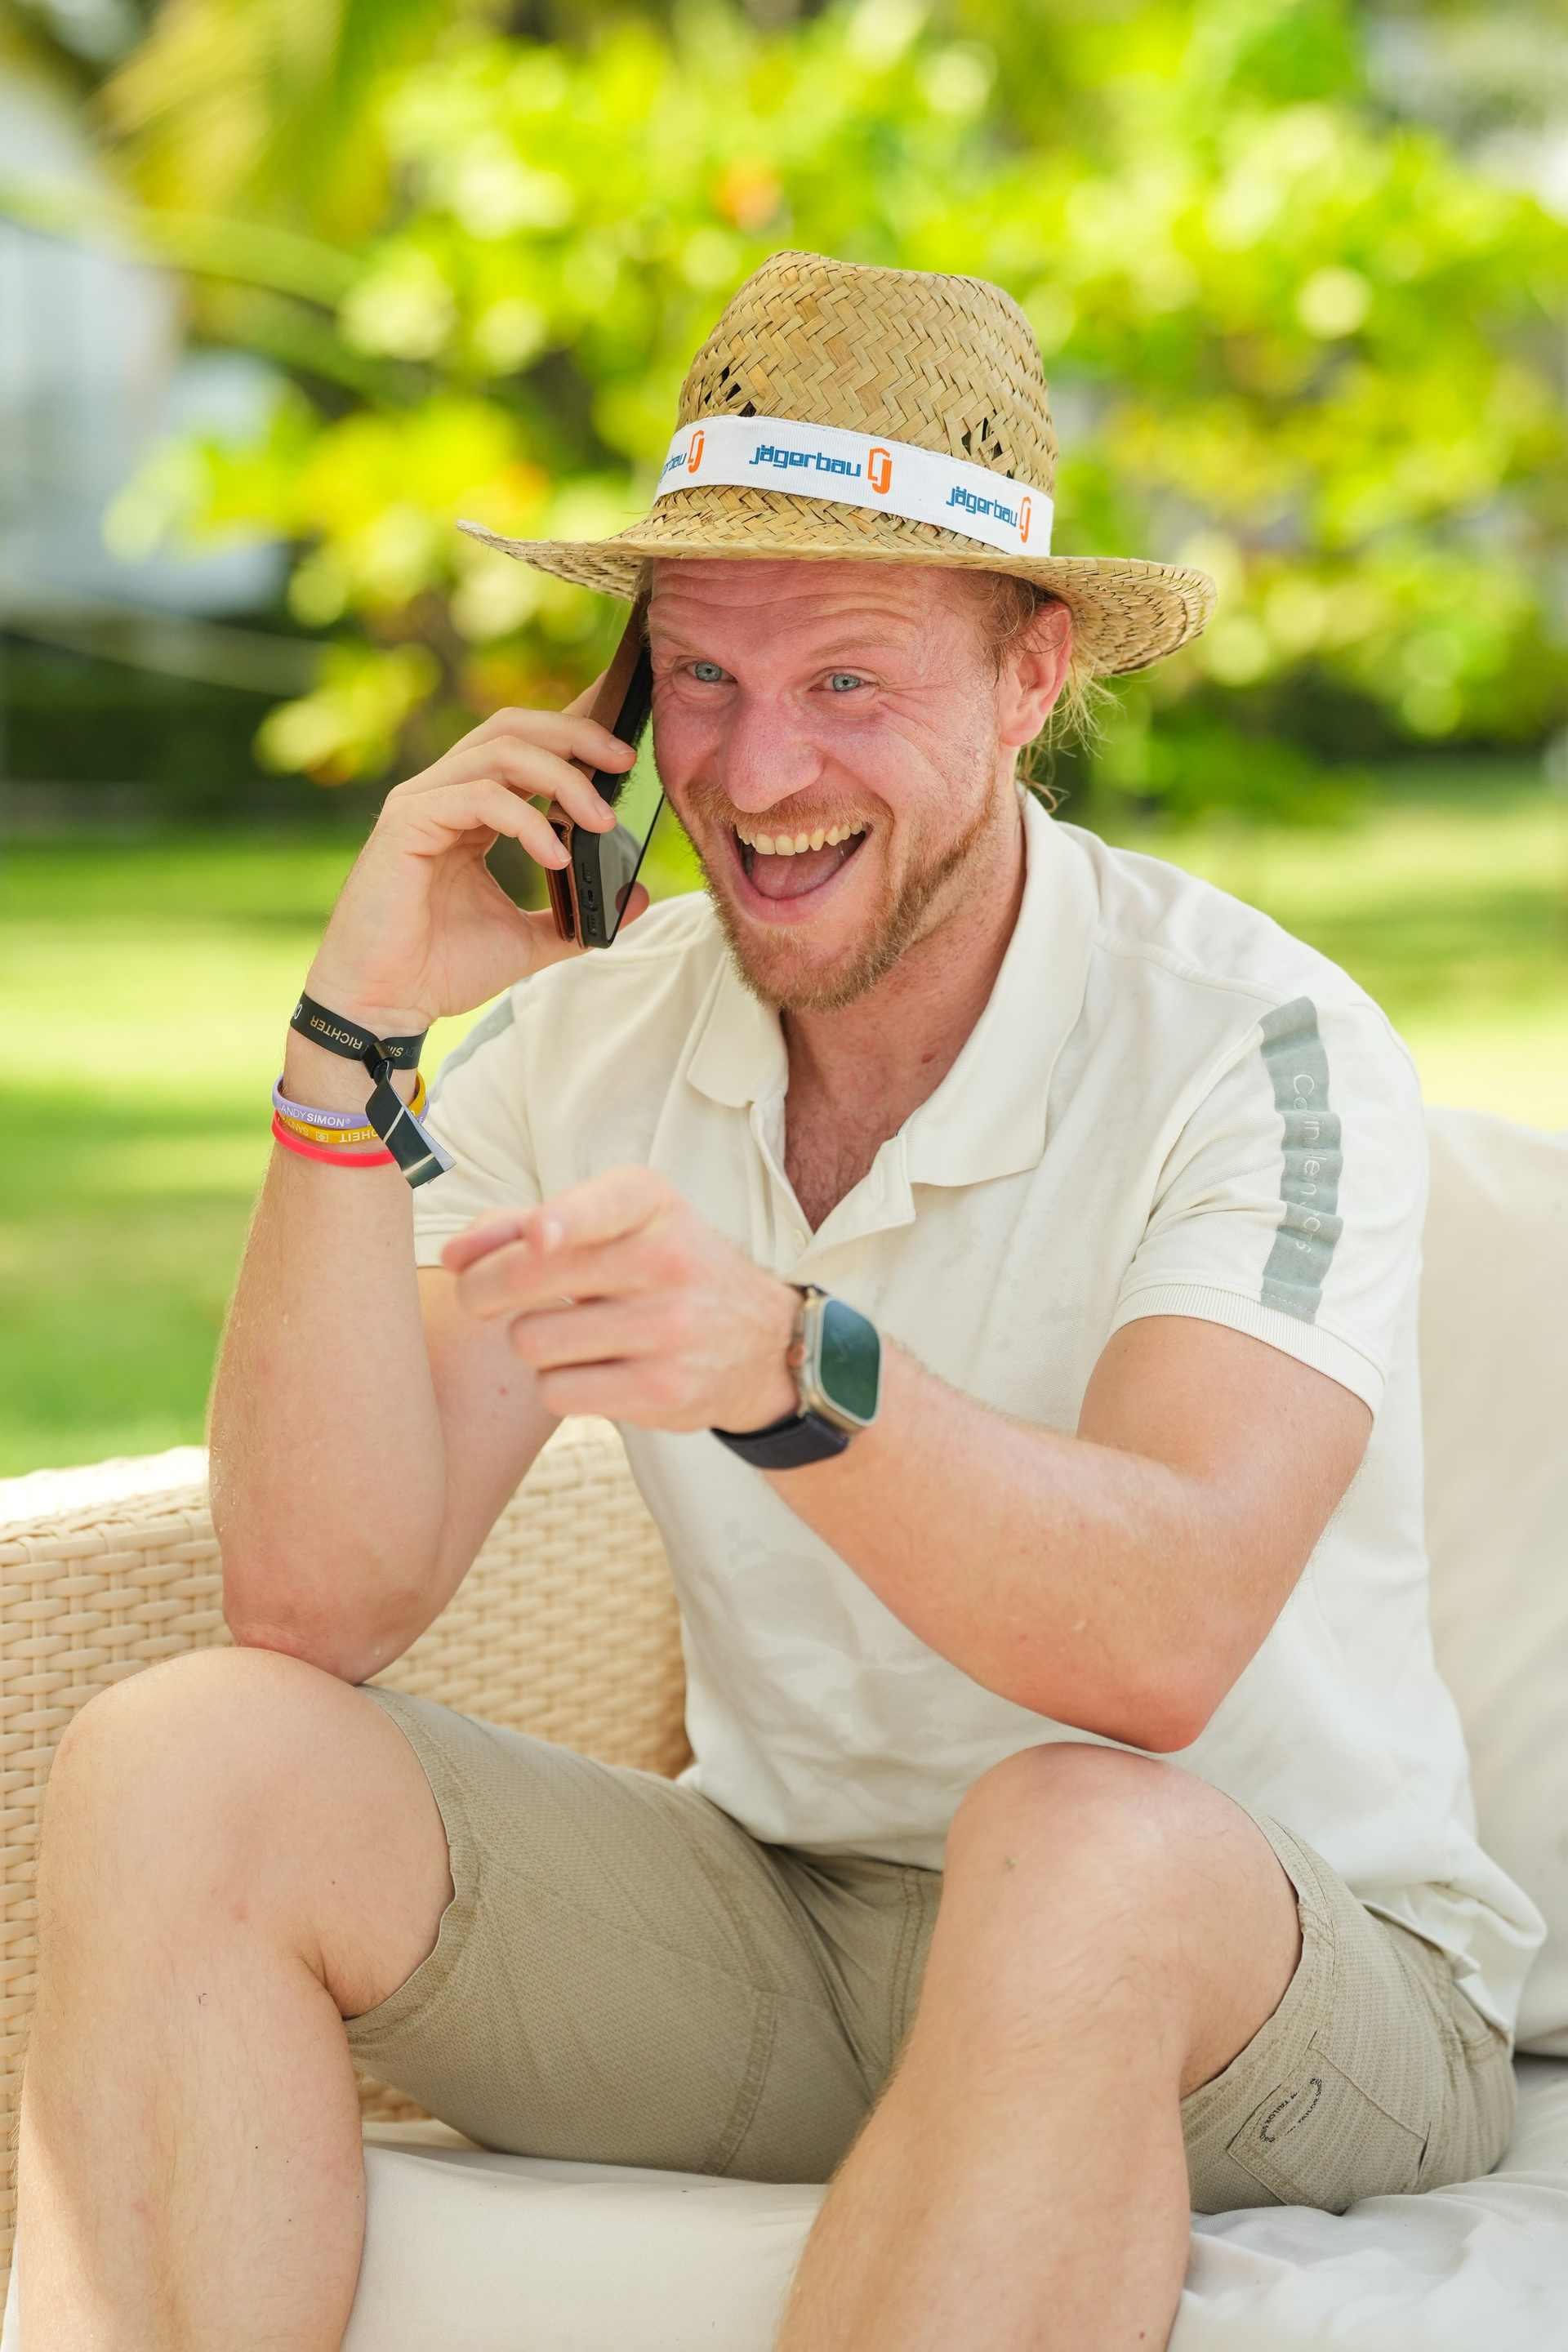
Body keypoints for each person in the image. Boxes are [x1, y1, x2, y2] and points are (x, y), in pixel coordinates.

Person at [18, 251, 1541, 2352]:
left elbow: (1162, 1640)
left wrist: (783, 1365)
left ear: (1031, 675)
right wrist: (350, 1046)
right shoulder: (596, 1036)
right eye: (702, 678)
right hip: (802, 1922)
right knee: (186, 1760)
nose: (752, 774)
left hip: (1280, 1969)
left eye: (847, 679)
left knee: (1073, 1846)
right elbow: (317, 1596)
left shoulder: (1254, 1043)